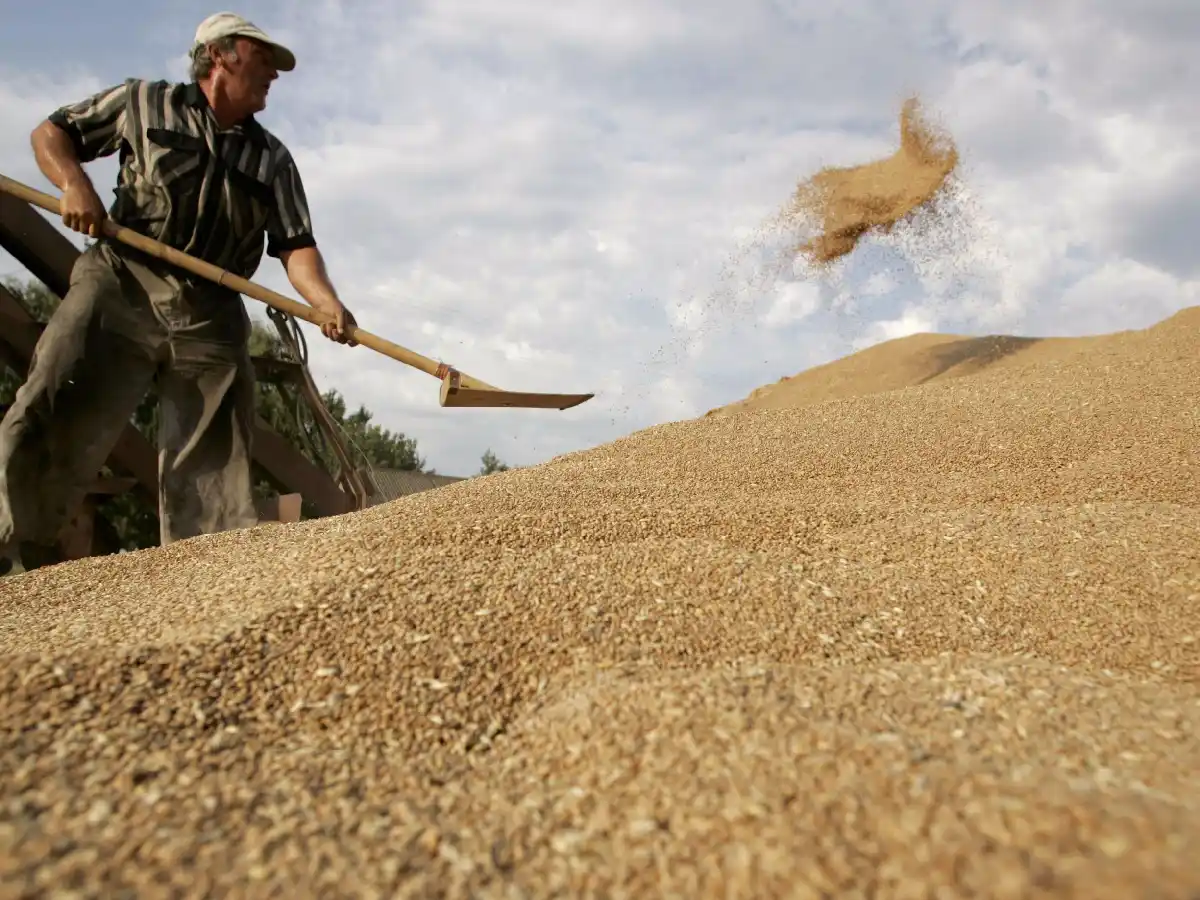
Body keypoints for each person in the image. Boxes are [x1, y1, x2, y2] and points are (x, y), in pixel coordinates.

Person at [0, 12, 357, 571]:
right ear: (220, 56)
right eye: (262, 59)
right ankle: (13, 547)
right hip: (122, 280)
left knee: (215, 459)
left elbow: (295, 245)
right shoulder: (143, 102)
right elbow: (52, 134)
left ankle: (200, 578)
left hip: (210, 308)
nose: (274, 75)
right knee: (57, 399)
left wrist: (325, 302)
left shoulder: (273, 159)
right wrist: (74, 184)